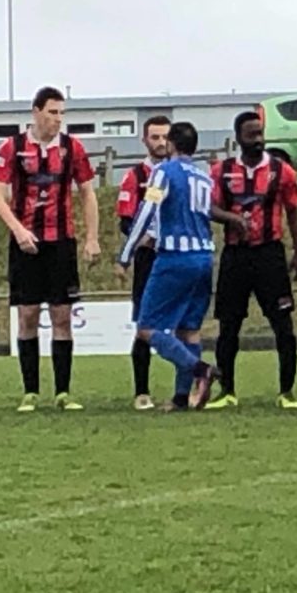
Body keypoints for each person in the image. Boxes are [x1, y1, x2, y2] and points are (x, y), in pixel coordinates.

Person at [0, 86, 101, 413]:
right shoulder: (12, 148)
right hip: (26, 243)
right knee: (27, 315)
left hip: (61, 243)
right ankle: (30, 392)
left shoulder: (72, 148)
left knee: (62, 316)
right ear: (36, 112)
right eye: (53, 112)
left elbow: (87, 193)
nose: (58, 119)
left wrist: (92, 237)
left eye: (61, 113)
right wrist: (18, 230)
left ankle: (63, 392)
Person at [205, 111, 297, 411]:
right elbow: (208, 208)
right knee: (228, 326)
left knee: (283, 326)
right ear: (238, 138)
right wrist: (232, 218)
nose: (258, 140)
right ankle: (227, 391)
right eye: (251, 135)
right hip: (235, 256)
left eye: (260, 134)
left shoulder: (281, 170)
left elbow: (294, 213)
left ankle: (286, 391)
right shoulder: (221, 171)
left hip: (270, 254)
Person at [117, 122, 220, 411]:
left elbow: (147, 210)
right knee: (189, 330)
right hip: (204, 257)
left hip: (175, 257)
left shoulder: (162, 172)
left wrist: (126, 254)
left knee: (147, 327)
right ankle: (181, 398)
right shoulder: (203, 177)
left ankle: (200, 369)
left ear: (172, 144)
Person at [116, 115, 172, 411]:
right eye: (155, 137)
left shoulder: (180, 174)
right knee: (144, 324)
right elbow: (125, 220)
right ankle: (142, 392)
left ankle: (183, 391)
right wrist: (142, 240)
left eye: (165, 137)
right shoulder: (135, 176)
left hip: (177, 255)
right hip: (148, 258)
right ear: (145, 140)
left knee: (184, 325)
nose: (161, 143)